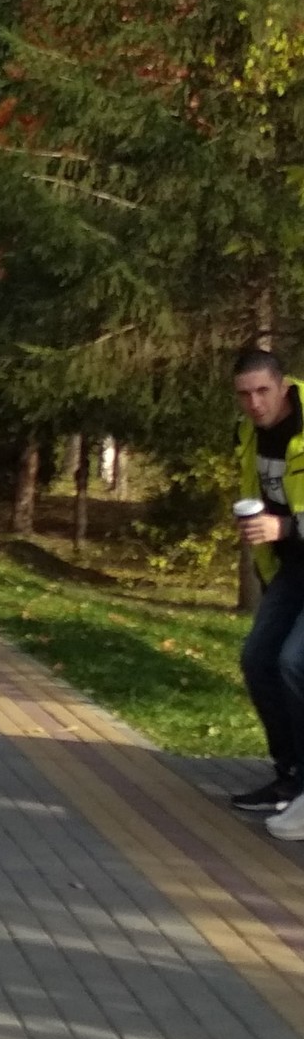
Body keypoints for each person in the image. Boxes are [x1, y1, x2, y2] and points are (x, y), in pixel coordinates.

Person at [229, 347, 304, 827]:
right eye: (244, 395)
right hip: (293, 569)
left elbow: (282, 520)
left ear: (283, 386)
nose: (255, 403)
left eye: (263, 391)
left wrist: (286, 529)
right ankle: (289, 775)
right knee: (257, 658)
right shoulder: (247, 435)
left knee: (294, 663)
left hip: (294, 544)